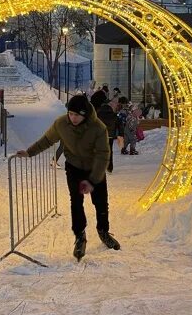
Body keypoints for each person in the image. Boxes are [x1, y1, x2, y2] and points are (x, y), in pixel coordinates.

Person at [16, 95, 120, 261]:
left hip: (95, 168)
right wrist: (29, 152)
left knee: (100, 202)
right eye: (70, 114)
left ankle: (103, 231)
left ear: (85, 114)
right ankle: (80, 236)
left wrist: (92, 181)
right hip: (74, 168)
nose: (73, 118)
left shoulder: (98, 128)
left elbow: (103, 155)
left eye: (77, 115)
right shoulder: (61, 124)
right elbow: (47, 140)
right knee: (76, 201)